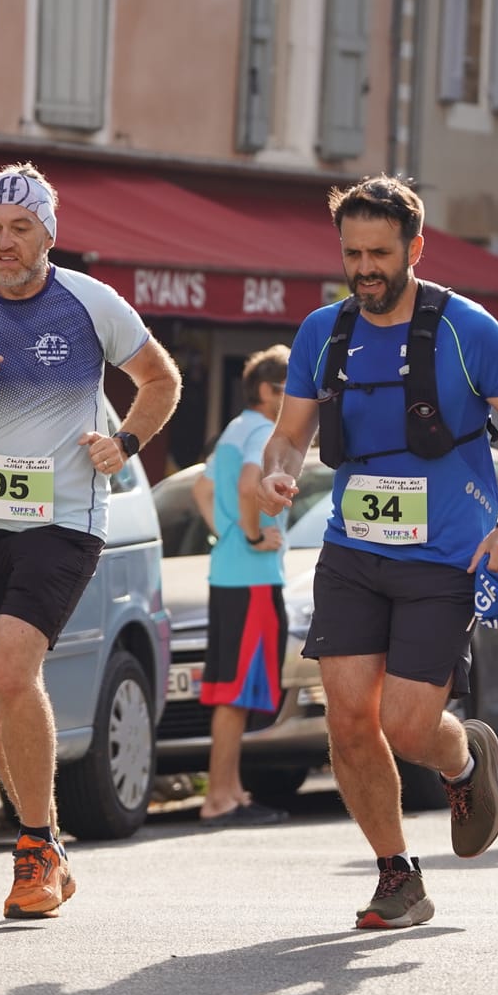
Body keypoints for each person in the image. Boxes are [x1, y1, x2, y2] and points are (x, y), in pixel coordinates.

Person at [256, 175, 498, 929]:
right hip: (352, 551)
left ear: (415, 248)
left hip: (445, 557)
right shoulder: (322, 331)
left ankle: (464, 759)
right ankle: (397, 873)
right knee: (348, 720)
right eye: (352, 253)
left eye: (380, 254)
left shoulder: (468, 330)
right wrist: (277, 473)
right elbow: (289, 435)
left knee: (408, 725)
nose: (364, 269)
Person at [0, 162, 182, 919]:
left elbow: (161, 380)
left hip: (65, 519)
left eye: (20, 228)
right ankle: (49, 841)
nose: (5, 242)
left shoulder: (90, 302)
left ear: (49, 234)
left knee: (12, 668)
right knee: (0, 688)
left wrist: (124, 442)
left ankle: (32, 848)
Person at [192, 345, 293, 825]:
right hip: (252, 578)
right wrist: (251, 536)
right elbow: (249, 483)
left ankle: (231, 792)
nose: (297, 399)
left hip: (230, 573)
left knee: (232, 688)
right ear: (267, 390)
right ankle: (219, 798)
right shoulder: (261, 431)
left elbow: (201, 489)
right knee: (235, 691)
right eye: (289, 389)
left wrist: (229, 535)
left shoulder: (235, 427)